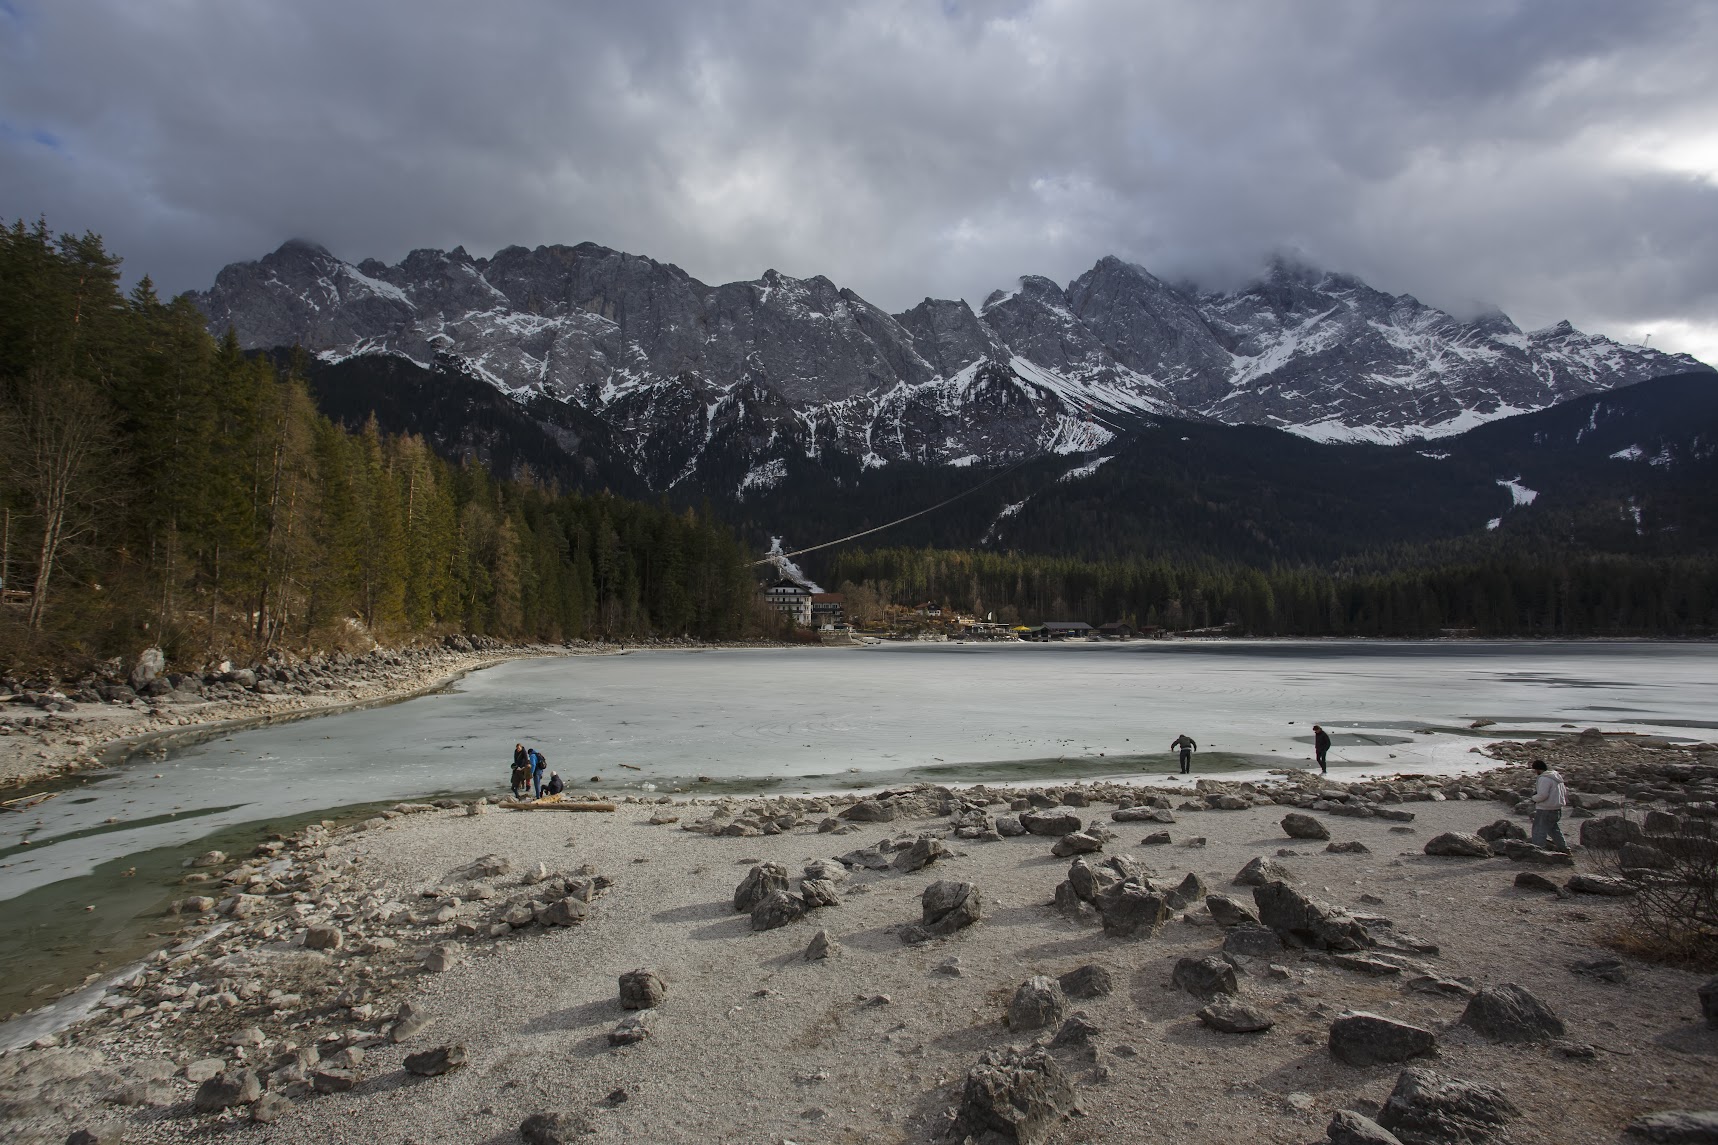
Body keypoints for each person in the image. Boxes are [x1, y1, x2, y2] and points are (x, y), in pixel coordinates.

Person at [1529, 758, 1568, 851]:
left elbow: (1543, 795)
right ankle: (1564, 848)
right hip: (1557, 808)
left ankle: (1538, 851)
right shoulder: (1557, 778)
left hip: (1545, 808)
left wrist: (1533, 798)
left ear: (1538, 769)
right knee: (1554, 830)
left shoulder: (1544, 778)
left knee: (1539, 830)